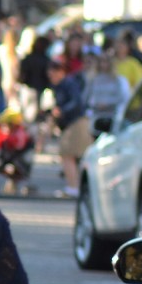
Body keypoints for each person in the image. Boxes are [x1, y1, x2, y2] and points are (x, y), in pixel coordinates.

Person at [48, 57, 88, 197]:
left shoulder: (69, 83)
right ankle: (74, 185)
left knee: (67, 153)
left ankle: (73, 186)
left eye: (53, 73)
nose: (51, 77)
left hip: (76, 122)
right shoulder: (59, 86)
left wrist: (62, 110)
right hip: (70, 123)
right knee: (69, 155)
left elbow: (76, 102)